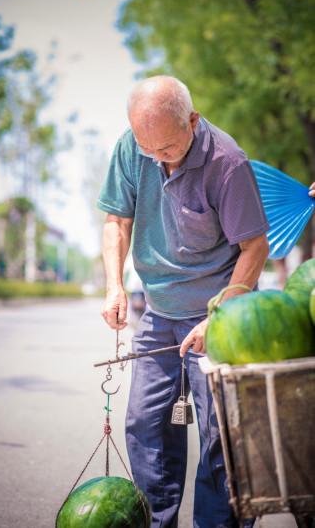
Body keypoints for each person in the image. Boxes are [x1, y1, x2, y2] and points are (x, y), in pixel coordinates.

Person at [97, 75, 271, 528]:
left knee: (220, 440)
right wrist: (115, 285)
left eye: (167, 149)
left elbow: (254, 247)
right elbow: (116, 221)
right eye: (146, 147)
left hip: (217, 316)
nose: (156, 158)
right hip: (158, 312)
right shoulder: (132, 147)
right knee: (145, 426)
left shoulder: (228, 163)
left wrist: (220, 315)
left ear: (192, 121)